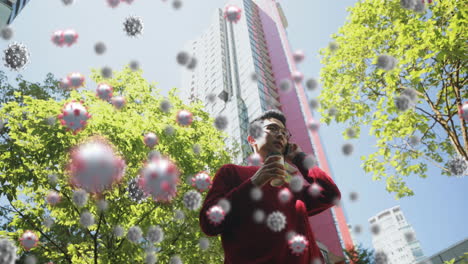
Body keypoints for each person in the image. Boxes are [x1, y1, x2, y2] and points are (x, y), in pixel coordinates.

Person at [199, 109, 341, 264]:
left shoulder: (293, 192)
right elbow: (208, 223)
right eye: (272, 129)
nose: (280, 135)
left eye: (284, 133)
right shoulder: (231, 173)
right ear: (252, 139)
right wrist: (255, 183)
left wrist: (299, 157)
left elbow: (330, 194)